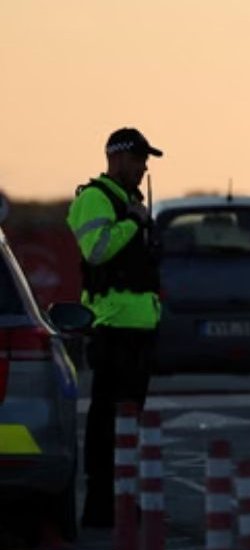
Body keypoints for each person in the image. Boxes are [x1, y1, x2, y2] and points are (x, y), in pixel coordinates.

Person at [68, 128, 164, 527]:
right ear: (118, 158)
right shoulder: (96, 199)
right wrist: (131, 222)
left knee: (128, 424)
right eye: (139, 159)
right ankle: (101, 506)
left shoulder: (129, 202)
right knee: (108, 423)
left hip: (137, 330)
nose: (144, 168)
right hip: (112, 330)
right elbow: (97, 249)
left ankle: (121, 501)